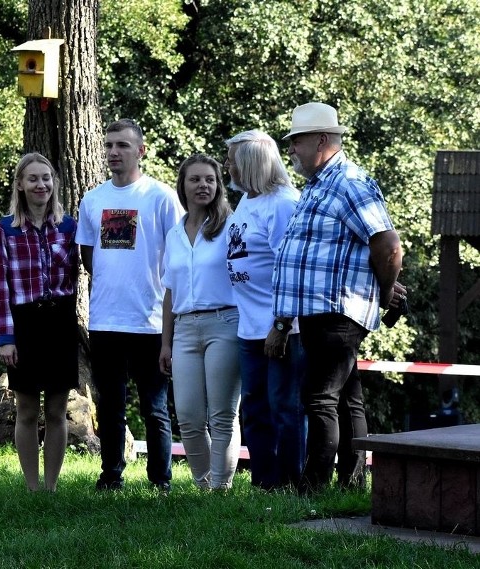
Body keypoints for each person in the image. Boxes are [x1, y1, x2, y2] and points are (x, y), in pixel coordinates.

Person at [272, 102, 404, 494]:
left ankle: (313, 487)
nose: (292, 149)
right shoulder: (318, 185)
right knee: (347, 399)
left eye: (297, 141)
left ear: (323, 140)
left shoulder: (349, 182)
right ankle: (351, 483)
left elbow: (388, 245)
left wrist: (383, 291)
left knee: (319, 397)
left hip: (338, 311)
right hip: (320, 312)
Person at [76, 118, 184, 492]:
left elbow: (178, 256)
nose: (113, 152)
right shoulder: (93, 200)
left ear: (141, 150)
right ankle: (111, 475)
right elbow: (89, 258)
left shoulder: (161, 197)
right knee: (109, 406)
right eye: (108, 145)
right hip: (106, 320)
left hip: (151, 320)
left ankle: (161, 481)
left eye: (122, 145)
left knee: (155, 408)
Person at [0, 152, 79, 492]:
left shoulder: (68, 226)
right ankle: (32, 486)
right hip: (24, 322)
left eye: (46, 178)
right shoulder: (5, 229)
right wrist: (6, 337)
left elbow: (78, 272)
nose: (41, 184)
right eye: (33, 179)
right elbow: (0, 286)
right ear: (20, 185)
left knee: (57, 409)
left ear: (53, 183)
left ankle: (51, 487)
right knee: (26, 409)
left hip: (60, 321)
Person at [224, 130, 306, 491]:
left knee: (284, 409)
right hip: (250, 328)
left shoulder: (283, 203)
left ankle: (289, 484)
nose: (227, 165)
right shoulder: (247, 200)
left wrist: (281, 323)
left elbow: (292, 268)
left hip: (283, 328)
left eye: (231, 159)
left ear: (250, 163)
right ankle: (263, 484)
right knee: (254, 409)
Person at [159, 154, 241, 491]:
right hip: (184, 330)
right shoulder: (174, 233)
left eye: (209, 179)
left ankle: (220, 490)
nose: (202, 185)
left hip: (225, 324)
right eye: (195, 179)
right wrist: (165, 343)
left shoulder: (231, 226)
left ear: (218, 185)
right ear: (183, 186)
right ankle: (203, 486)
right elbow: (169, 291)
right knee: (190, 417)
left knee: (222, 416)